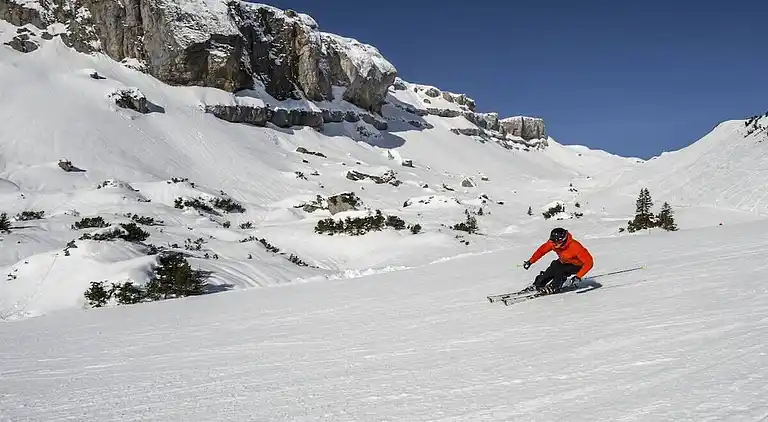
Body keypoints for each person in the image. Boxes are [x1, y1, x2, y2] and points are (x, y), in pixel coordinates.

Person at [522, 227, 594, 294]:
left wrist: (578, 276)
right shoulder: (552, 244)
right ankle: (538, 284)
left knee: (561, 270)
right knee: (554, 266)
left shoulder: (575, 246)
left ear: (563, 240)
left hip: (577, 266)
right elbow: (541, 251)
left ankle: (553, 287)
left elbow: (589, 262)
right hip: (564, 261)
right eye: (552, 241)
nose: (554, 244)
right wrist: (530, 261)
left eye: (556, 242)